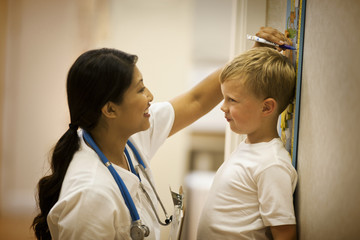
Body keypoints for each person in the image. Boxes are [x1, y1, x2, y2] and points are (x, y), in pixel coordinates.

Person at [31, 27, 286, 240]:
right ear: (110, 109)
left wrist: (250, 63)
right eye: (140, 90)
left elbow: (197, 100)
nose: (150, 97)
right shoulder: (89, 196)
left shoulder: (126, 138)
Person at [197, 47, 297, 240]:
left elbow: (284, 232)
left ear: (266, 107)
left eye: (231, 100)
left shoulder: (271, 164)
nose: (222, 107)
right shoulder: (249, 146)